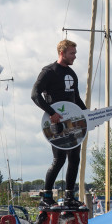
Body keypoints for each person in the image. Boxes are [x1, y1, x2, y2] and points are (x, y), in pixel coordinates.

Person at [32, 39, 87, 206]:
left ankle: (69, 196)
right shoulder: (49, 72)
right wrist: (51, 113)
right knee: (59, 159)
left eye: (75, 53)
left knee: (75, 159)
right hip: (56, 123)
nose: (75, 56)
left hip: (73, 122)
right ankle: (46, 196)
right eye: (72, 53)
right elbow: (35, 95)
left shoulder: (72, 74)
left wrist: (88, 115)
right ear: (62, 53)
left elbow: (76, 98)